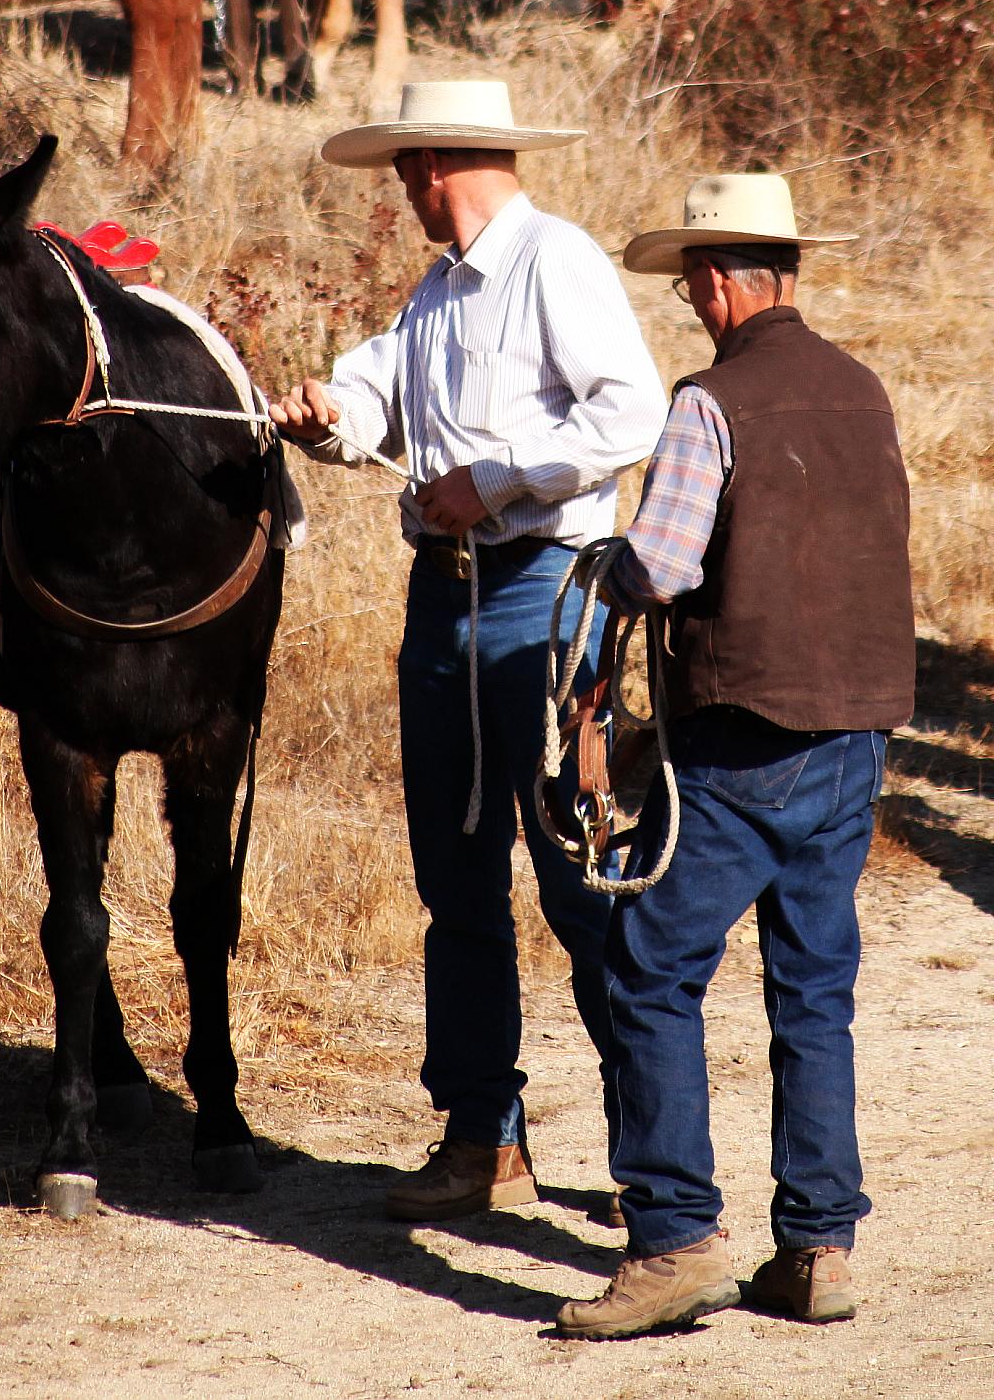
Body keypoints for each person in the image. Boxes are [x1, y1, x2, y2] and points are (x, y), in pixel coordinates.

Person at [268, 79, 667, 1222]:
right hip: (446, 599)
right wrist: (328, 411)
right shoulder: (436, 290)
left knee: (575, 874)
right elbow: (377, 386)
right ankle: (483, 1138)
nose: (399, 187)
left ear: (438, 161)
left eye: (404, 167)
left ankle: (653, 1156)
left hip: (544, 594)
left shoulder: (557, 261)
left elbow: (627, 411)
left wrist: (492, 479)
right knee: (457, 877)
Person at [552, 174, 914, 1342]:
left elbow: (660, 567)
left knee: (648, 971)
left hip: (740, 738)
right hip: (853, 730)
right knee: (813, 984)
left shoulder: (710, 400)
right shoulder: (862, 391)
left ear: (714, 281)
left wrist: (603, 571)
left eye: (685, 283)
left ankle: (671, 1239)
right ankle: (817, 1245)